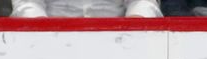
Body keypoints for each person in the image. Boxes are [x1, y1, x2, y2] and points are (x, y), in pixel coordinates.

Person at [11, 0, 161, 17]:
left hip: (119, 39)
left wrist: (138, 25)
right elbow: (28, 5)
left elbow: (142, 3)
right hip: (48, 41)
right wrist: (41, 29)